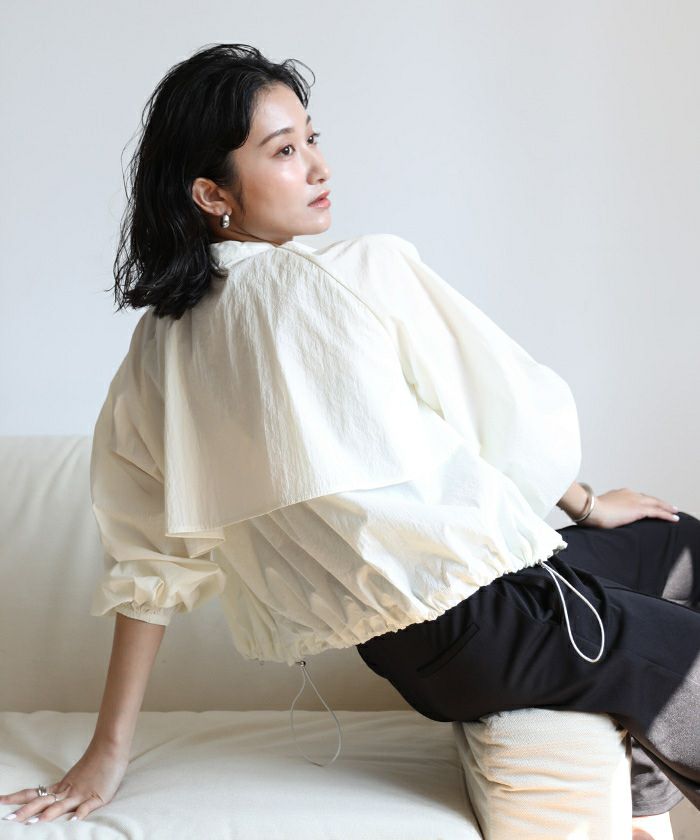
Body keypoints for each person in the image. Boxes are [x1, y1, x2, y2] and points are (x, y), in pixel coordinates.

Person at [1, 44, 697, 838]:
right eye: (284, 151)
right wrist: (583, 499)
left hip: (417, 656)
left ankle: (640, 816)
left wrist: (108, 751)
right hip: (495, 615)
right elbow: (504, 419)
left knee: (673, 545)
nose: (318, 166)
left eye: (311, 138)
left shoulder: (159, 349)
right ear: (211, 193)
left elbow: (148, 566)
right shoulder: (358, 273)